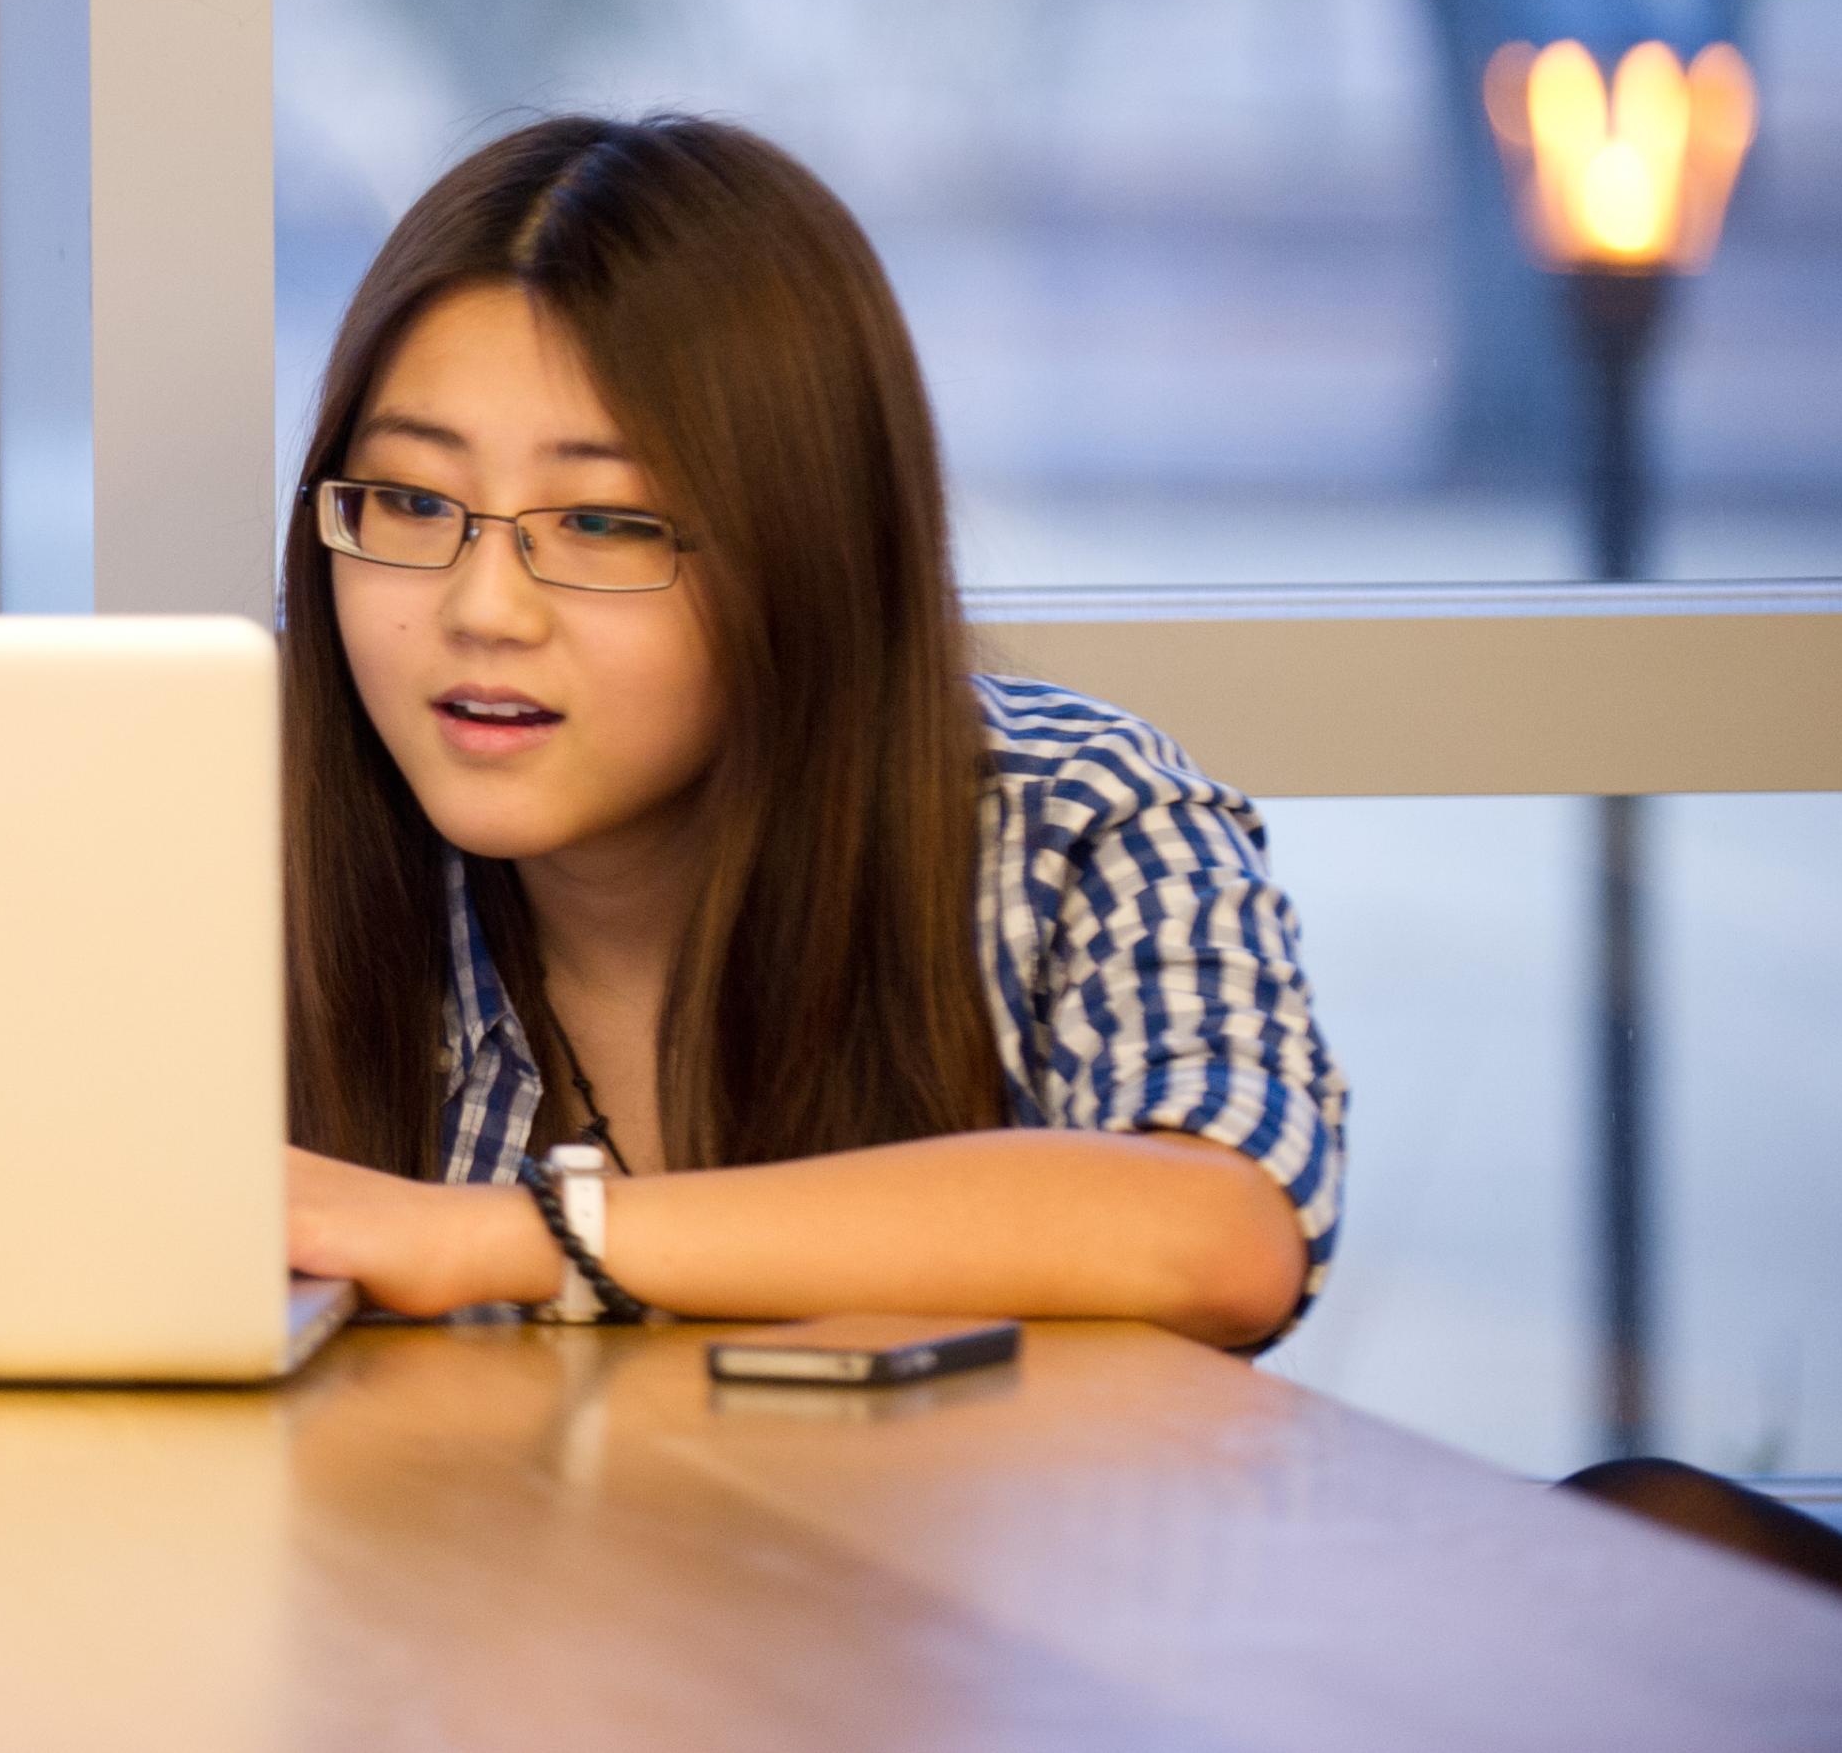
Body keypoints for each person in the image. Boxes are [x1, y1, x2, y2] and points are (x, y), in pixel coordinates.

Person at [277, 114, 1343, 1345]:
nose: (482, 610)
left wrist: (486, 1238)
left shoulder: (1066, 816)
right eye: (412, 500)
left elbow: (1219, 1230)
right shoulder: (252, 840)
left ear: (804, 553)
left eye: (605, 522)